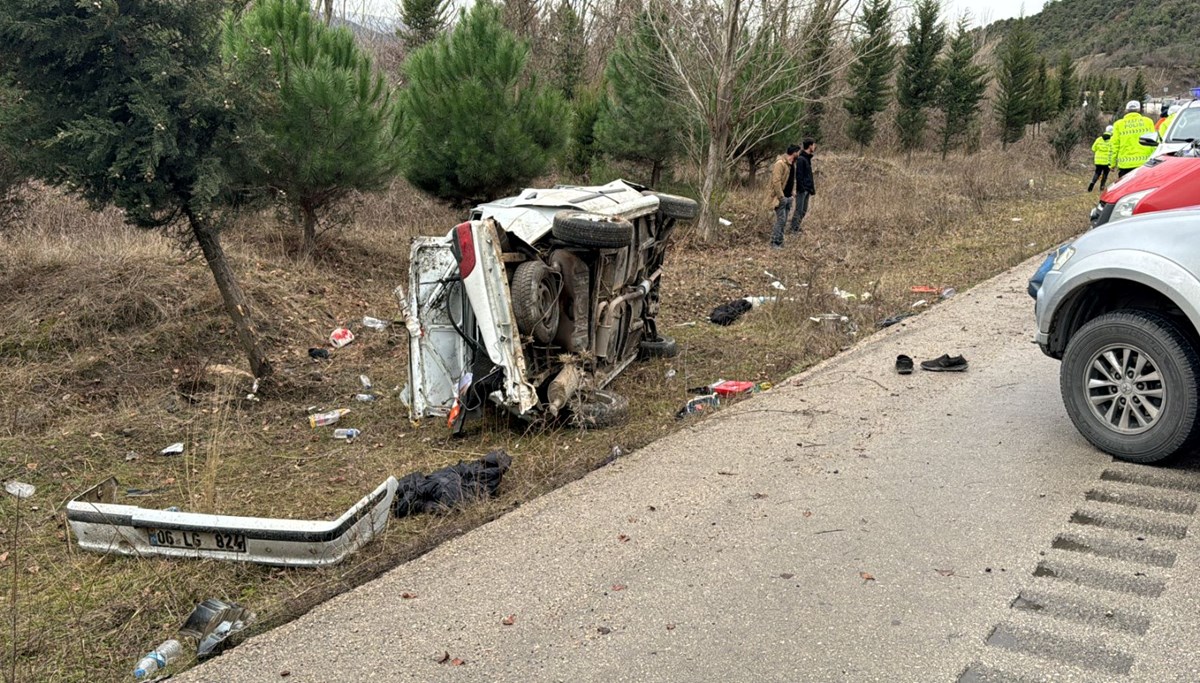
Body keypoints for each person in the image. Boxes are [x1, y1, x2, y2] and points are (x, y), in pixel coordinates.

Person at [766, 144, 801, 249]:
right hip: (780, 198)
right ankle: (774, 242)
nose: (799, 154)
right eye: (798, 152)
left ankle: (780, 241)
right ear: (794, 152)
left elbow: (790, 180)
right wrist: (781, 197)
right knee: (781, 220)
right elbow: (776, 181)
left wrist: (791, 193)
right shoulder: (780, 164)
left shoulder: (792, 165)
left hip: (788, 198)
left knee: (784, 220)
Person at [1111, 100, 1158, 178]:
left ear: (1126, 110)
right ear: (1139, 110)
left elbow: (1115, 144)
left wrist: (1112, 163)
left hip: (1125, 164)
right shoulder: (1148, 122)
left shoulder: (1118, 124)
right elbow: (1153, 142)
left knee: (1126, 187)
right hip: (1145, 163)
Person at [788, 139, 817, 237]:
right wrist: (802, 188)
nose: (814, 147)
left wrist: (811, 189)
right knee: (799, 210)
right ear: (810, 146)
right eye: (813, 145)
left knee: (803, 210)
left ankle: (796, 227)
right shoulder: (801, 159)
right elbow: (799, 176)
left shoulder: (807, 158)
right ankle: (793, 229)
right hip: (802, 190)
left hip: (807, 189)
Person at [1088, 126, 1115, 193]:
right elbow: (1113, 151)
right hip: (1107, 161)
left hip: (1098, 160)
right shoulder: (1112, 140)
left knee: (1097, 173)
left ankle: (1092, 183)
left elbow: (1093, 148)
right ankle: (1101, 187)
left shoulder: (1099, 139)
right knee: (1105, 175)